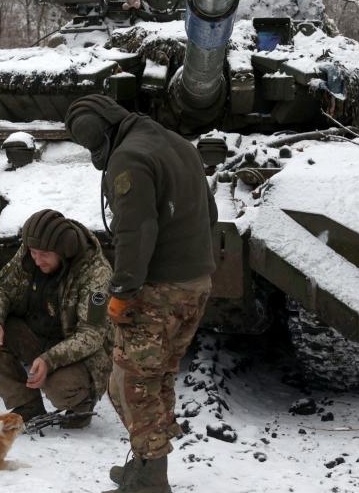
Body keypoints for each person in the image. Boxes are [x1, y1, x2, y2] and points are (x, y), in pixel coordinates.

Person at [65, 94, 217, 493]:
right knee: (158, 374)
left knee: (129, 383)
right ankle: (148, 463)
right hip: (196, 282)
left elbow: (136, 231)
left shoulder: (128, 157)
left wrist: (123, 291)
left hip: (158, 289)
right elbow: (210, 212)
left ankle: (151, 477)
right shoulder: (177, 143)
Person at [0, 209, 113, 428]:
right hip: (40, 334)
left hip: (82, 354)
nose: (36, 260)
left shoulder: (97, 276)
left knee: (58, 387)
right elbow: (1, 286)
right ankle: (27, 405)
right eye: (32, 252)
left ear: (63, 251)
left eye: (43, 254)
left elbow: (92, 335)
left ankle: (82, 403)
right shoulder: (33, 252)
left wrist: (49, 360)